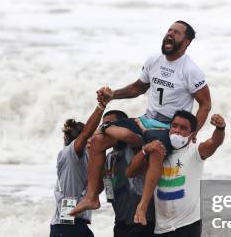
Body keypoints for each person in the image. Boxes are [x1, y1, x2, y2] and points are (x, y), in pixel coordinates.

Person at [72, 20, 212, 218]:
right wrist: (113, 95)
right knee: (96, 141)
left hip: (167, 128)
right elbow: (138, 88)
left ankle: (142, 206)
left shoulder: (191, 70)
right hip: (145, 120)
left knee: (153, 149)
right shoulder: (154, 60)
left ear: (187, 42)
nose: (170, 34)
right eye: (169, 30)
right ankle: (92, 197)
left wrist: (193, 132)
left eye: (177, 33)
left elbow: (205, 104)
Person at [32, 95, 110, 237]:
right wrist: (101, 107)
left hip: (67, 225)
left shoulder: (86, 160)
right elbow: (86, 134)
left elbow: (98, 189)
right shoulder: (69, 154)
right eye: (86, 140)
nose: (89, 142)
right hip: (69, 225)